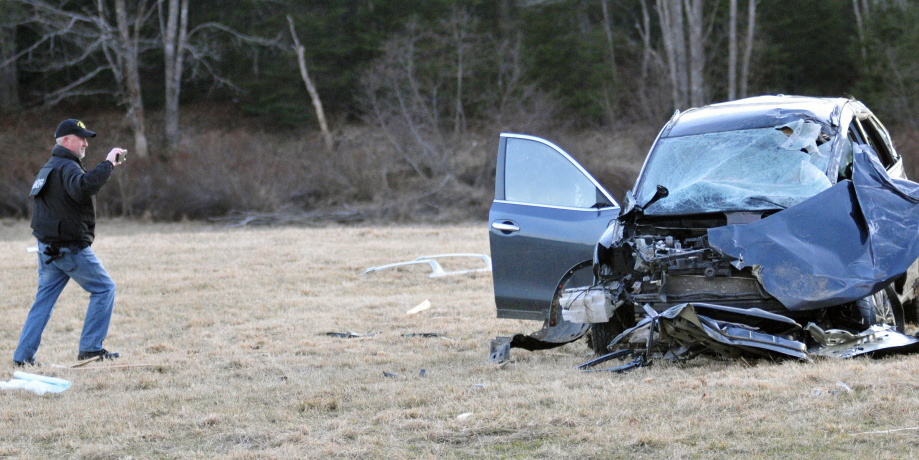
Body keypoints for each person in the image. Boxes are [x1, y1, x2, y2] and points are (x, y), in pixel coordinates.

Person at [13, 119, 126, 366]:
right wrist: (107, 164)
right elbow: (83, 188)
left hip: (47, 249)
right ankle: (91, 349)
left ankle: (22, 357)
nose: (86, 143)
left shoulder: (49, 167)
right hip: (68, 250)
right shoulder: (68, 167)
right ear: (66, 140)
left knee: (43, 303)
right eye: (81, 138)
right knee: (104, 288)